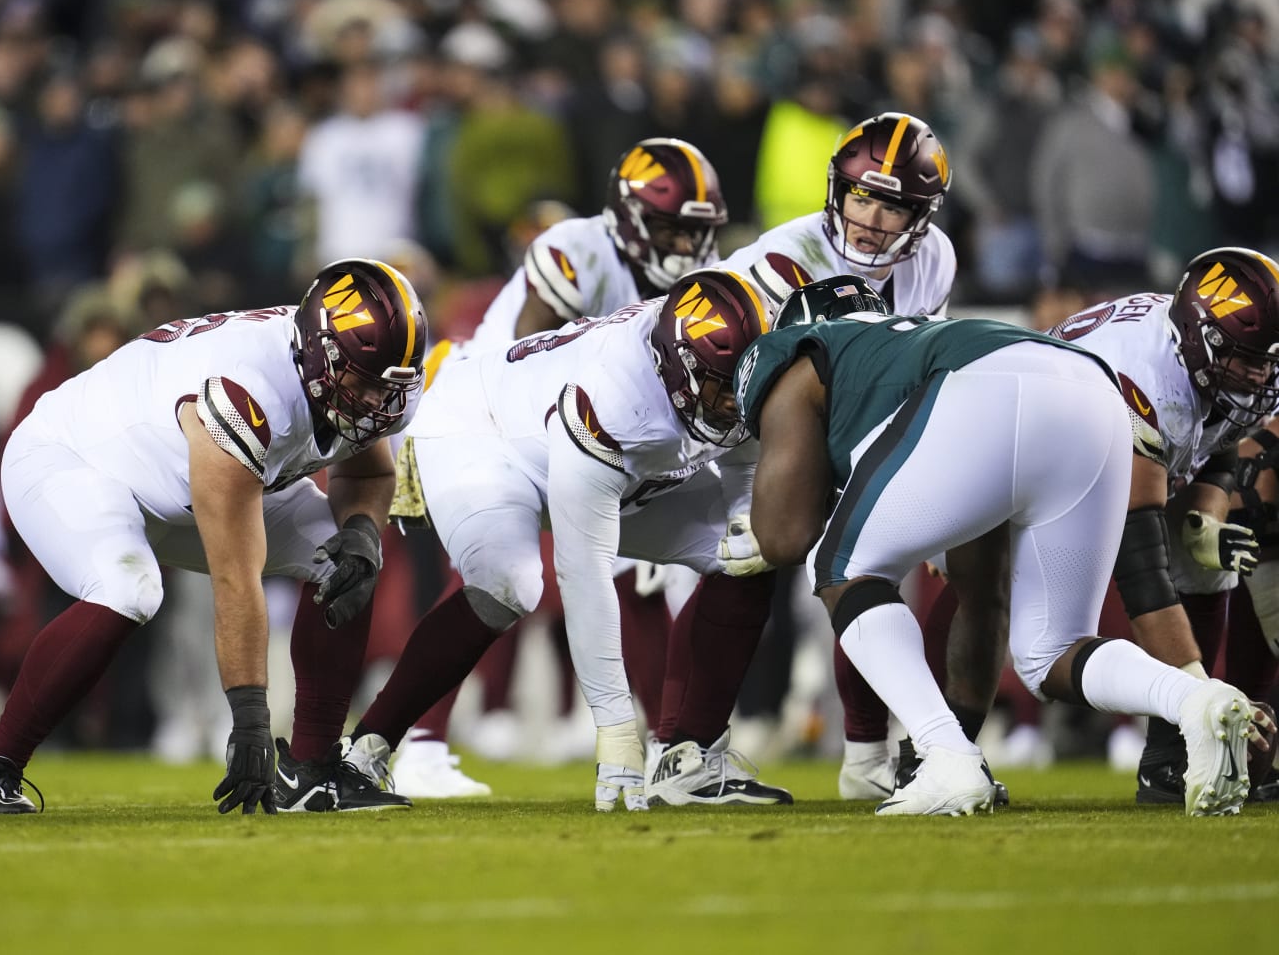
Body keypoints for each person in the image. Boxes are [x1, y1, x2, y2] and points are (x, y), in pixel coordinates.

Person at [735, 308, 1262, 816]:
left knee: (841, 566)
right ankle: (1195, 700)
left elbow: (785, 539)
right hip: (1098, 394)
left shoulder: (797, 357)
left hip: (980, 392)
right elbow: (981, 593)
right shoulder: (899, 347)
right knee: (1052, 650)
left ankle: (944, 754)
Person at [0, 258, 427, 815]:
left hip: (178, 481)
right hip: (76, 459)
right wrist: (250, 717)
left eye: (387, 387)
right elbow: (235, 575)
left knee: (344, 559)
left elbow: (367, 472)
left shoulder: (370, 381)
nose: (375, 404)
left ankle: (312, 772)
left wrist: (364, 531)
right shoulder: (247, 388)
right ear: (321, 356)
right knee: (131, 589)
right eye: (363, 384)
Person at [395, 139, 764, 800]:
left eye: (695, 231)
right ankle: (418, 741)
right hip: (499, 412)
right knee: (494, 578)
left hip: (611, 425)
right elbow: (526, 359)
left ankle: (667, 746)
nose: (683, 246)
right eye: (669, 227)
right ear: (626, 217)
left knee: (647, 577)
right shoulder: (579, 249)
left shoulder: (699, 276)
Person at [344, 269, 772, 811]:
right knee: (512, 583)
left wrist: (744, 518)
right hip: (482, 431)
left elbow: (746, 478)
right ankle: (369, 745)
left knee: (753, 549)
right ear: (679, 366)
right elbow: (584, 569)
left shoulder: (730, 368)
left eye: (742, 385)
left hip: (598, 457)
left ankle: (689, 757)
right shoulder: (614, 394)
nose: (733, 404)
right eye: (719, 386)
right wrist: (617, 732)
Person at [911, 248, 1279, 802]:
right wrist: (1204, 699)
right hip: (1005, 448)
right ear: (1201, 338)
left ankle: (1170, 760)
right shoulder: (1146, 377)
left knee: (1201, 564)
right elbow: (1141, 570)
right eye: (1246, 358)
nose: (1259, 375)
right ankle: (933, 752)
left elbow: (1219, 437)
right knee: (996, 602)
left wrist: (1204, 515)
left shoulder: (1199, 351)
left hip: (1066, 442)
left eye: (1267, 360)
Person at [710, 110, 956, 801]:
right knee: (743, 573)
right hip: (738, 437)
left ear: (924, 215)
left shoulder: (934, 258)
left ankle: (868, 756)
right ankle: (691, 741)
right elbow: (726, 381)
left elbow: (905, 373)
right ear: (835, 190)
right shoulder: (779, 262)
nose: (874, 217)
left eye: (896, 205)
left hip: (848, 428)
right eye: (863, 196)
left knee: (867, 574)